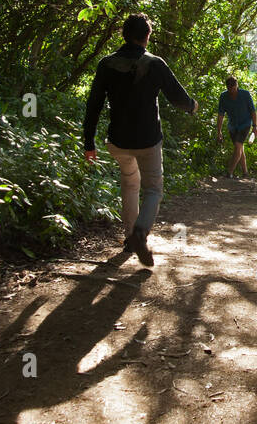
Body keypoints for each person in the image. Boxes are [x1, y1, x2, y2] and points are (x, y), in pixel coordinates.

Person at [83, 13, 198, 266]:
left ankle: (128, 239)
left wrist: (88, 144)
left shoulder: (106, 64)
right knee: (154, 189)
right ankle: (140, 232)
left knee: (129, 184)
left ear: (123, 35)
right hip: (147, 140)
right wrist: (191, 106)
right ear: (147, 36)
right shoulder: (154, 63)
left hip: (118, 142)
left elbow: (93, 106)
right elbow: (177, 97)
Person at [215, 76, 257, 177]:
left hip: (245, 124)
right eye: (229, 89)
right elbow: (221, 115)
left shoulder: (245, 94)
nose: (232, 91)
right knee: (239, 148)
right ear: (227, 87)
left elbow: (253, 111)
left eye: (233, 88)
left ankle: (230, 172)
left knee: (238, 146)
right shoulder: (223, 96)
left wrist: (255, 127)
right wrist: (219, 131)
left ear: (237, 86)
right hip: (233, 126)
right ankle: (245, 172)